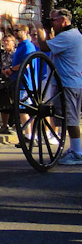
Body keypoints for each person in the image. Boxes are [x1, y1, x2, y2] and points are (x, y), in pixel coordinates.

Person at [35, 9, 82, 165]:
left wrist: (39, 30)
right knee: (68, 117)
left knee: (70, 118)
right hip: (71, 82)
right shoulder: (74, 35)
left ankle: (77, 152)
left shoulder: (67, 37)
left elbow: (44, 47)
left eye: (53, 20)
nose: (52, 24)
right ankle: (74, 149)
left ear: (63, 21)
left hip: (67, 83)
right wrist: (49, 31)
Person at [0, 33, 16, 134]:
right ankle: (4, 125)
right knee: (3, 103)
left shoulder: (15, 54)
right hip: (3, 81)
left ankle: (16, 124)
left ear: (13, 43)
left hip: (13, 80)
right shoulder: (1, 54)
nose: (5, 43)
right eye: (4, 41)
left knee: (14, 103)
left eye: (8, 41)